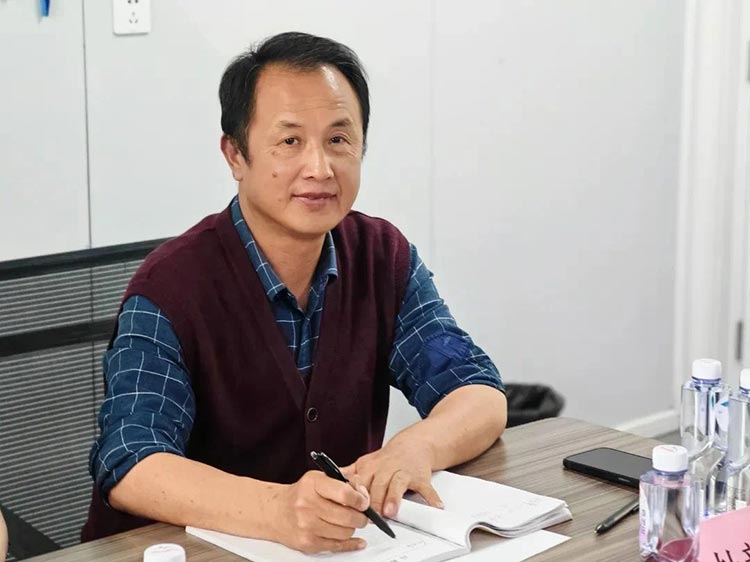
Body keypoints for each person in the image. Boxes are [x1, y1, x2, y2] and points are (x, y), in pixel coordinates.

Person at [82, 31, 507, 554]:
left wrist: (415, 448)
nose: (319, 168)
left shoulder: (382, 256)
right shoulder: (170, 289)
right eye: (290, 141)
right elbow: (131, 460)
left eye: (338, 139)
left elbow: (478, 393)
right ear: (235, 155)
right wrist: (277, 510)